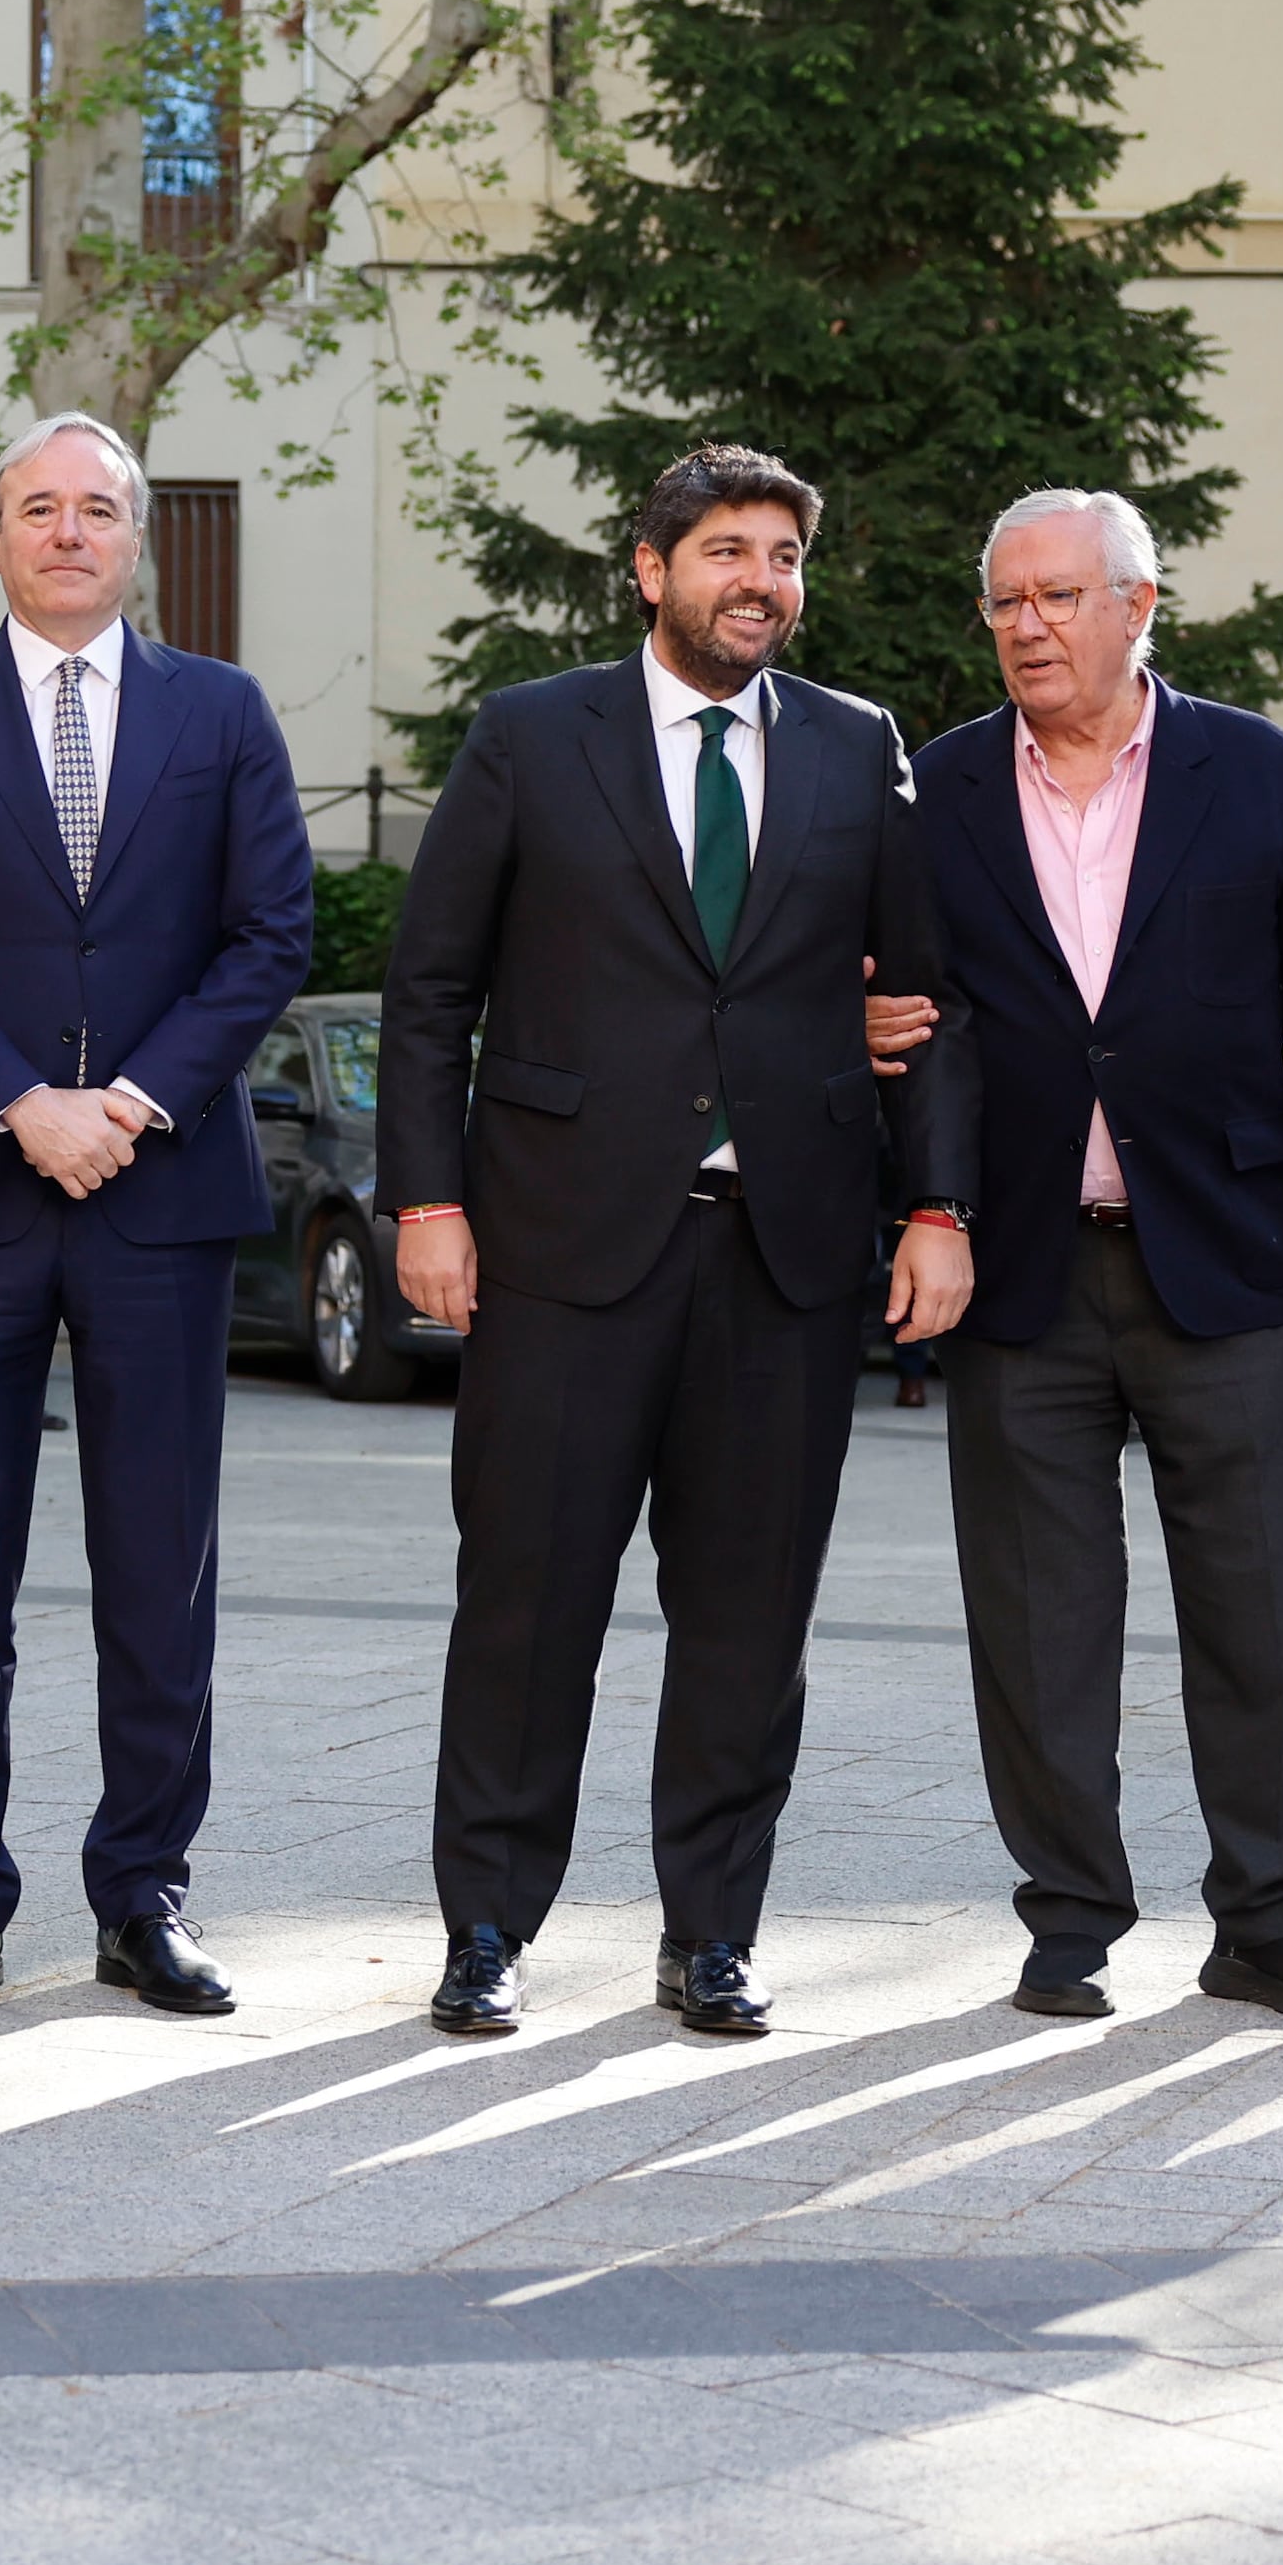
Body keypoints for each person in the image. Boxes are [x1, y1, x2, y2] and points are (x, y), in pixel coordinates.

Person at [382, 444, 979, 2043]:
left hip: (784, 1258)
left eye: (783, 554)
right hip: (561, 1252)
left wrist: (937, 1206)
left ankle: (714, 1931)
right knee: (528, 1608)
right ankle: (490, 1928)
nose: (758, 580)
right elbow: (432, 990)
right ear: (649, 570)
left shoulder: (862, 750)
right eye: (726, 550)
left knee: (748, 1621)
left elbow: (921, 1006)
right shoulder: (530, 735)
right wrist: (424, 1202)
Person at [0, 412, 314, 2021]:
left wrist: (128, 1104)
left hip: (160, 1192)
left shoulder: (225, 713)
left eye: (94, 507)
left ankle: (143, 1891)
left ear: (135, 538)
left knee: (157, 1567)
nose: (65, 531)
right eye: (36, 507)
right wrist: (22, 1102)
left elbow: (269, 934)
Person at [913, 491, 1283, 2027]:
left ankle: (1265, 1915)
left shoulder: (1253, 774)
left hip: (1230, 1256)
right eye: (1005, 604)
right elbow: (913, 1024)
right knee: (1039, 1620)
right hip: (1022, 1272)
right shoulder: (940, 790)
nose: (1029, 626)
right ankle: (1068, 1918)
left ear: (1140, 604)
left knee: (1259, 1612)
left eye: (1058, 596)